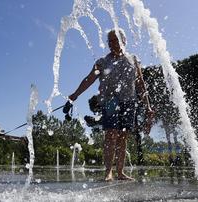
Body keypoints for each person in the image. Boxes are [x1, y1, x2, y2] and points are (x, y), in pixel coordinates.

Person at [66, 29, 154, 181]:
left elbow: (140, 84)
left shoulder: (133, 59)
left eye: (116, 40)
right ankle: (108, 171)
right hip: (110, 101)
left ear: (124, 41)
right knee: (111, 134)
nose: (113, 44)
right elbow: (89, 79)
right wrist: (75, 94)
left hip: (129, 101)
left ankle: (120, 171)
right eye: (110, 41)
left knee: (123, 136)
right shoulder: (102, 62)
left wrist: (148, 106)